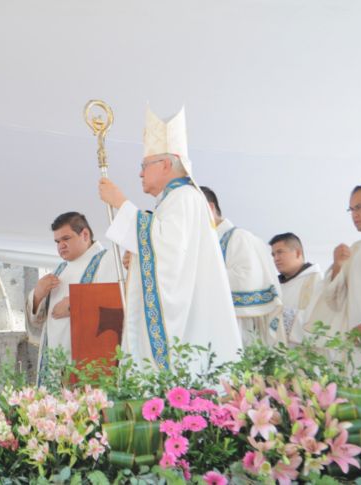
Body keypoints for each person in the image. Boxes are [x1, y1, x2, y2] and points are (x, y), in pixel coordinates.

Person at [98, 107, 242, 374]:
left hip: (187, 326)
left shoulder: (185, 197)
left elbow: (168, 252)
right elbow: (165, 250)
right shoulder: (173, 200)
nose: (140, 174)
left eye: (144, 165)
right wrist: (140, 255)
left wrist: (120, 203)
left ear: (165, 163)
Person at [25, 212, 119, 382]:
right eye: (57, 241)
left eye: (66, 239)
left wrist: (75, 303)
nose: (61, 245)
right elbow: (37, 318)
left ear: (85, 235)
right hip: (54, 362)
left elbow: (119, 300)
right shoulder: (59, 270)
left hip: (90, 360)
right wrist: (38, 294)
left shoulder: (108, 260)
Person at [308, 183, 361, 357]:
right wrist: (338, 266)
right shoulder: (355, 250)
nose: (354, 215)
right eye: (351, 209)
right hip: (357, 345)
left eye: (359, 207)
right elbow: (335, 301)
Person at [200, 186, 285, 346]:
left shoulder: (239, 237)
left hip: (240, 327)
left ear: (210, 208)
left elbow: (248, 280)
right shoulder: (206, 244)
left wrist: (200, 274)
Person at [269, 232, 323, 345]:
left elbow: (320, 321)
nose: (276, 259)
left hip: (305, 355)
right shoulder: (274, 285)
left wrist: (279, 315)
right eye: (273, 255)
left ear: (298, 253)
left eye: (280, 252)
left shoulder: (317, 281)